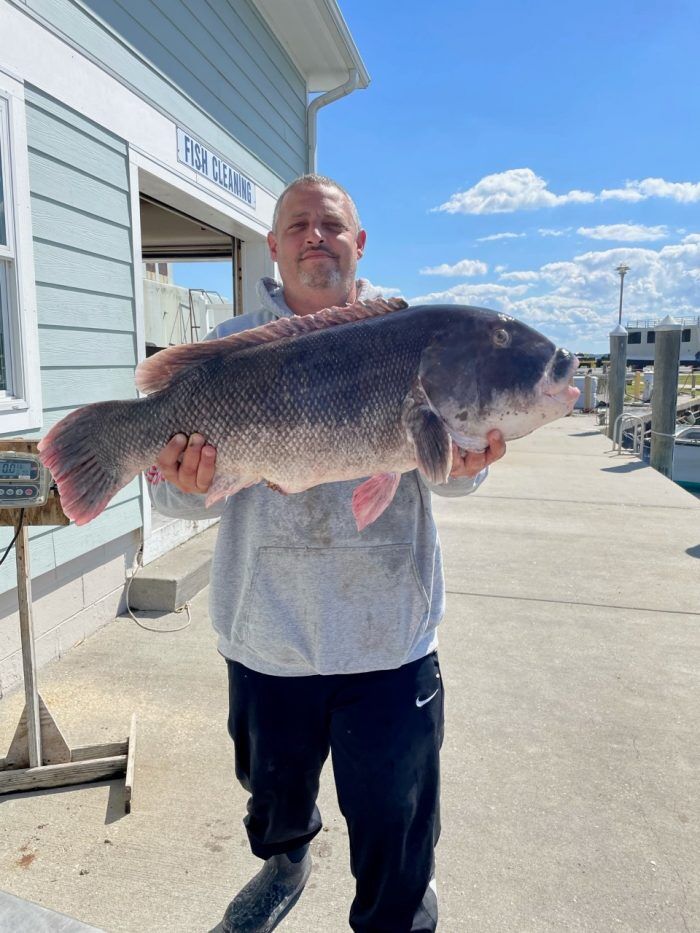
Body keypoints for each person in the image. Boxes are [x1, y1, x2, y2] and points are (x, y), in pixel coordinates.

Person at [148, 174, 506, 933]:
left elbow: (455, 481)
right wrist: (183, 481)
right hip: (268, 636)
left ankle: (398, 906)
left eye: (333, 225)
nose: (318, 236)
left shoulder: (417, 335)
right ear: (274, 246)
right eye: (299, 225)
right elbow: (173, 499)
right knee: (272, 792)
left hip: (390, 640)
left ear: (359, 242)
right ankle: (285, 860)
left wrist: (465, 464)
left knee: (396, 813)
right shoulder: (224, 352)